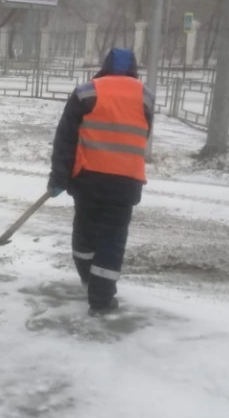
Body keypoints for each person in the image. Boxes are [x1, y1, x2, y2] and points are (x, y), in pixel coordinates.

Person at [46, 48, 155, 317]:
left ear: (104, 65)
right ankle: (101, 299)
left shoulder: (86, 92)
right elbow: (145, 134)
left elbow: (66, 140)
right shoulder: (146, 97)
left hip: (88, 180)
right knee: (112, 239)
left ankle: (87, 276)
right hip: (126, 182)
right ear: (133, 69)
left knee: (85, 229)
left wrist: (59, 177)